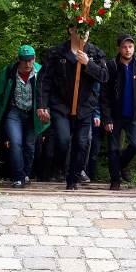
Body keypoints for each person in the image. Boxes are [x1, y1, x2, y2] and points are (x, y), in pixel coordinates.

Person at [37, 25, 108, 190]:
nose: (85, 33)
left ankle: (73, 179)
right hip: (60, 105)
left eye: (87, 30)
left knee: (82, 143)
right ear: (71, 30)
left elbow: (104, 76)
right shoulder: (56, 53)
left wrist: (88, 63)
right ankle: (60, 168)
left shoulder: (95, 53)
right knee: (63, 140)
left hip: (85, 106)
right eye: (80, 29)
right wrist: (42, 104)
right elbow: (44, 79)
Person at [0, 44, 48, 187]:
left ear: (34, 58)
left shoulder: (41, 71)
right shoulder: (9, 72)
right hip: (14, 112)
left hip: (33, 113)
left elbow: (48, 93)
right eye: (24, 60)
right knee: (15, 142)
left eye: (30, 60)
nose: (27, 64)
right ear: (19, 60)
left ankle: (26, 174)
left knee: (29, 145)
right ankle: (18, 177)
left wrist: (47, 110)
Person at [102, 34, 136, 191]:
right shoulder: (111, 66)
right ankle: (115, 181)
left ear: (134, 47)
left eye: (130, 46)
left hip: (133, 115)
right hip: (114, 116)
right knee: (113, 148)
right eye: (124, 47)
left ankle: (120, 165)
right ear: (119, 48)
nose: (128, 50)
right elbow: (104, 95)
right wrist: (106, 118)